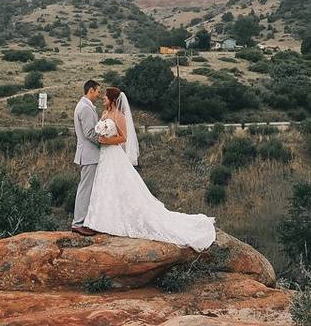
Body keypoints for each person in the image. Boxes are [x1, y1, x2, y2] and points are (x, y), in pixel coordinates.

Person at [83, 87, 216, 251]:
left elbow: (124, 138)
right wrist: (101, 137)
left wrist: (107, 141)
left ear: (112, 99)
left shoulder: (119, 116)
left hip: (114, 154)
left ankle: (117, 221)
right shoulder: (104, 114)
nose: (103, 98)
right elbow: (102, 132)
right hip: (104, 156)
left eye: (105, 96)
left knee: (121, 187)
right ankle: (102, 221)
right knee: (106, 186)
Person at [71, 79, 101, 236]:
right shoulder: (85, 108)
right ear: (90, 90)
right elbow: (90, 133)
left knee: (88, 189)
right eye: (97, 91)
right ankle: (78, 223)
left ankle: (85, 221)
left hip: (88, 154)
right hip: (89, 154)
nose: (99, 95)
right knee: (85, 189)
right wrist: (105, 142)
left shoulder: (83, 106)